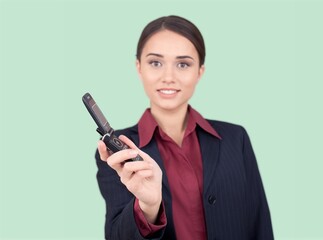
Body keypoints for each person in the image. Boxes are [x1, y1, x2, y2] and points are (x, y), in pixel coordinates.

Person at [95, 15, 274, 240]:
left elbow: (260, 225)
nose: (168, 77)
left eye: (183, 64)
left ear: (199, 71)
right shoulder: (120, 152)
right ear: (139, 67)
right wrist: (149, 207)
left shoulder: (235, 139)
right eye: (155, 63)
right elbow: (117, 236)